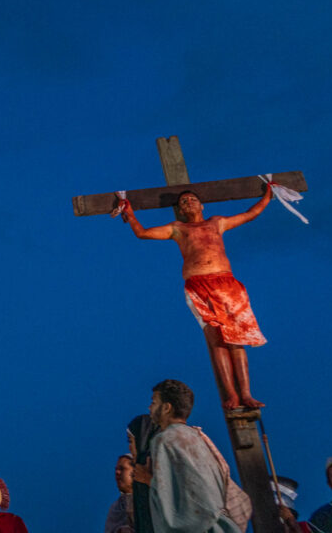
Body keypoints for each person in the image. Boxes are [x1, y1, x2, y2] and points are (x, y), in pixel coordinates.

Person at [118, 185, 272, 409]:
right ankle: (231, 395)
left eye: (191, 200)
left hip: (227, 284)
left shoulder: (216, 223)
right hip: (199, 285)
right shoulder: (177, 228)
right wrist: (130, 214)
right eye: (183, 202)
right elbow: (143, 233)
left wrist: (268, 194)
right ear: (179, 210)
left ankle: (246, 394)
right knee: (216, 340)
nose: (188, 203)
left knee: (237, 340)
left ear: (201, 205)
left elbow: (250, 214)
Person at [132, 379, 241, 533]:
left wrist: (148, 479)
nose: (150, 407)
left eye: (154, 402)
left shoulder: (166, 440)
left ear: (166, 408)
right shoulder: (197, 437)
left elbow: (178, 496)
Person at [106, 454, 136, 533]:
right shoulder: (116, 508)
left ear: (135, 472)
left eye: (122, 469)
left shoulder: (148, 501)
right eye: (116, 469)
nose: (117, 472)